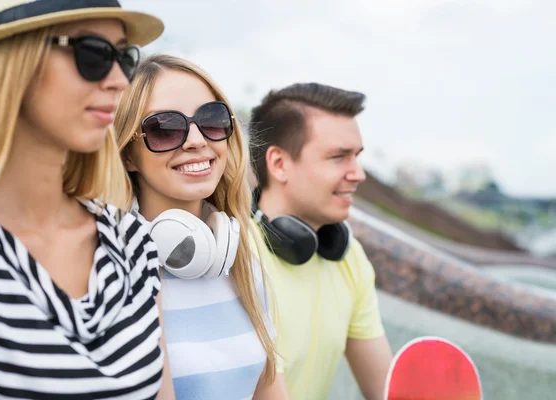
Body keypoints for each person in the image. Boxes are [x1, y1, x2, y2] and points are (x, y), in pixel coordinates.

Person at [0, 1, 175, 399]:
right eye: (93, 54)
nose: (119, 81)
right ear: (11, 63)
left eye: (125, 57)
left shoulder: (133, 240)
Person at [113, 54, 289, 400]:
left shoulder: (239, 262)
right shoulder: (113, 269)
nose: (196, 140)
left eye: (211, 120)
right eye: (165, 128)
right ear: (128, 155)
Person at [249, 82, 393, 400]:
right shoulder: (237, 256)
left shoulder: (349, 256)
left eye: (357, 156)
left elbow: (386, 390)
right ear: (279, 164)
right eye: (339, 157)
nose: (358, 174)